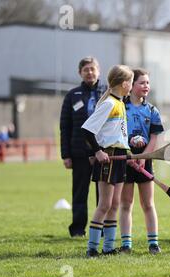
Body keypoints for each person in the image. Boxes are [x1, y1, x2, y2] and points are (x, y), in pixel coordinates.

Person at [81, 65, 134, 258]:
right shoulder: (109, 104)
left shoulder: (120, 103)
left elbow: (118, 134)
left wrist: (127, 152)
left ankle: (109, 248)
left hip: (119, 157)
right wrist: (98, 151)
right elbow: (87, 130)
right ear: (124, 83)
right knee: (104, 204)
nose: (132, 86)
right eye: (131, 82)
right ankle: (92, 248)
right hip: (108, 157)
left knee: (115, 204)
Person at [119, 69, 164, 255]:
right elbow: (117, 133)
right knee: (126, 203)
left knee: (148, 203)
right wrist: (129, 155)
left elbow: (154, 137)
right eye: (142, 83)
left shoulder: (152, 110)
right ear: (131, 85)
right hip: (125, 158)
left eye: (147, 83)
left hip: (145, 159)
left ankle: (153, 243)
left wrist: (144, 157)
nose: (146, 86)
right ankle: (126, 245)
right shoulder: (121, 107)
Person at [60, 57, 106, 237]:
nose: (90, 72)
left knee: (103, 194)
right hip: (79, 153)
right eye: (86, 69)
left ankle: (101, 229)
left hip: (103, 152)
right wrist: (66, 155)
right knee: (79, 193)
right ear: (80, 73)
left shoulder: (108, 93)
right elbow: (65, 126)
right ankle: (78, 229)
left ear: (99, 71)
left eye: (92, 69)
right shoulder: (72, 96)